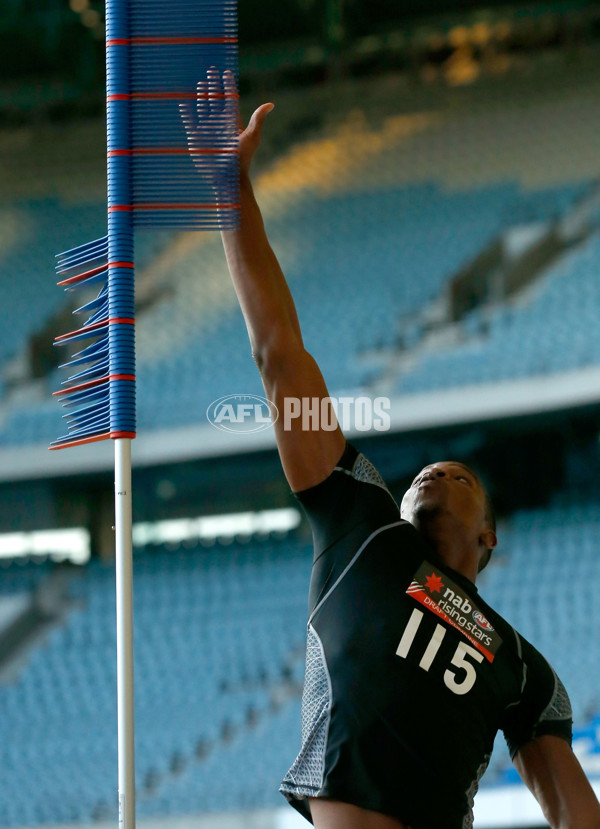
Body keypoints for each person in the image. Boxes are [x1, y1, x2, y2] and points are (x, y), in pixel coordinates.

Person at [183, 71, 600, 829]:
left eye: (463, 473)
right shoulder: (360, 523)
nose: (436, 469)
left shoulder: (526, 670)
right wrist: (229, 194)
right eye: (424, 474)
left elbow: (578, 811)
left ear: (489, 534)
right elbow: (280, 353)